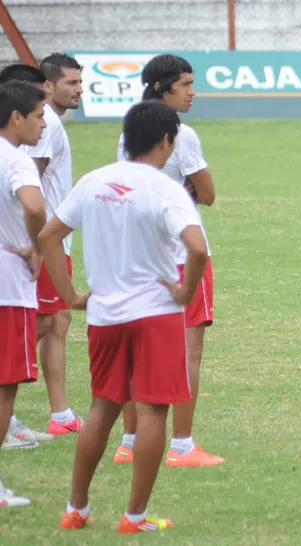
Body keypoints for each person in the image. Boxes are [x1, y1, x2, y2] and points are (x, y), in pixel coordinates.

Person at [41, 100, 207, 532]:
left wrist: (70, 296)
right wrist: (186, 291)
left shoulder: (94, 181)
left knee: (102, 408)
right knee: (153, 412)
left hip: (105, 315)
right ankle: (134, 517)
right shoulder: (164, 188)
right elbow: (198, 247)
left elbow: (48, 234)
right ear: (168, 140)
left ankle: (76, 508)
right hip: (155, 314)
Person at [114, 54, 221, 468]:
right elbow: (208, 194)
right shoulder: (182, 134)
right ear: (162, 87)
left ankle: (128, 441)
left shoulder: (129, 131)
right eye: (186, 85)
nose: (194, 93)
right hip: (182, 255)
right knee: (188, 351)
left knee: (138, 350)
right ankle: (181, 445)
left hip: (139, 255)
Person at [0, 56, 86, 444]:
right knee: (31, 326)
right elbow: (29, 190)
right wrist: (38, 243)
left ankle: (60, 411)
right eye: (68, 82)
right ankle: (14, 419)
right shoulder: (30, 140)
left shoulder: (40, 125)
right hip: (35, 243)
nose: (77, 89)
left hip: (46, 240)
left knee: (55, 321)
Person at [0, 80, 48, 505]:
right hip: (7, 283)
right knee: (3, 385)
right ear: (16, 117)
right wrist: (37, 247)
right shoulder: (16, 160)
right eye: (38, 115)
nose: (44, 123)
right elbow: (34, 206)